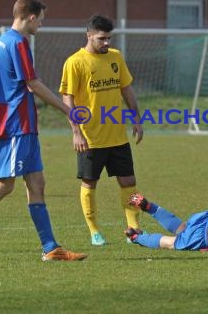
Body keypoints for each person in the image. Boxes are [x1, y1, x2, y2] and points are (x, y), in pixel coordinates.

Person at [0, 0, 88, 262]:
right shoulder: (18, 43)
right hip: (15, 123)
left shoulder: (2, 41)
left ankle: (51, 248)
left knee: (37, 183)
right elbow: (32, 84)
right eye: (41, 21)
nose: (41, 26)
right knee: (3, 185)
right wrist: (68, 110)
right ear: (31, 17)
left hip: (23, 123)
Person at [60, 14, 144, 246]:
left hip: (117, 136)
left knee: (129, 182)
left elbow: (126, 90)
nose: (106, 43)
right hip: (90, 138)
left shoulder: (116, 57)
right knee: (90, 183)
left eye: (109, 38)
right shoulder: (75, 62)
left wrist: (136, 119)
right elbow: (68, 99)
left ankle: (134, 229)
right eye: (101, 38)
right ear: (89, 36)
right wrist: (76, 131)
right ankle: (95, 231)